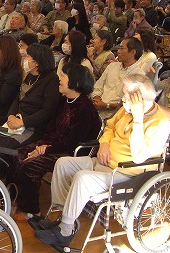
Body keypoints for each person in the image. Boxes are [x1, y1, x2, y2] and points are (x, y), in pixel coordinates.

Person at [35, 74, 170, 247]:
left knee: (82, 178)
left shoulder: (159, 124)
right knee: (62, 163)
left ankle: (65, 230)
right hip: (104, 162)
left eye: (125, 95)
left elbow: (139, 156)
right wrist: (105, 144)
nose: (122, 99)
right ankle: (64, 218)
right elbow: (110, 126)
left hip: (126, 174)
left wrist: (138, 120)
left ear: (139, 99)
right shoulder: (126, 109)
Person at [8, 63, 101, 220]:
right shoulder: (64, 100)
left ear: (75, 83)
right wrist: (40, 145)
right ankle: (14, 199)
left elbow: (71, 142)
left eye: (64, 76)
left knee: (29, 166)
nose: (60, 78)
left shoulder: (86, 109)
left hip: (70, 154)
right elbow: (51, 128)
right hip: (53, 145)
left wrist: (45, 149)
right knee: (17, 155)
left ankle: (32, 211)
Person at [0, 43, 61, 155]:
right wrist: (10, 115)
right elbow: (18, 98)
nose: (24, 59)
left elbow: (47, 111)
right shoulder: (29, 75)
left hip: (32, 127)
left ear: (36, 63)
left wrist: (23, 122)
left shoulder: (51, 79)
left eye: (27, 57)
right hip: (16, 121)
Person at [91, 37, 144, 118]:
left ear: (133, 52)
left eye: (122, 48)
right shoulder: (112, 66)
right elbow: (99, 85)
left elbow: (129, 103)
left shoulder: (139, 75)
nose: (118, 52)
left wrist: (107, 105)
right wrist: (97, 98)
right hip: (97, 110)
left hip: (116, 116)